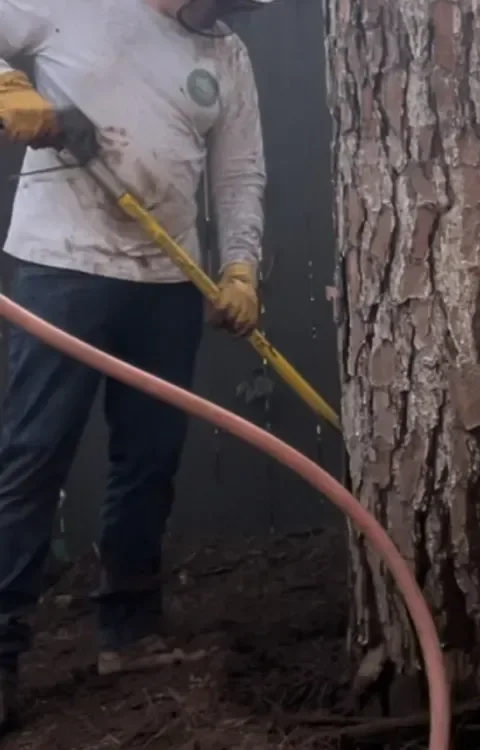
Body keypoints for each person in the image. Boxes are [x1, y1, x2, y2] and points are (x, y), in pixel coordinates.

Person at [0, 0, 272, 734]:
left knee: (148, 461)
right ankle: (1, 651)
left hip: (168, 282)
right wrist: (9, 89)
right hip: (63, 268)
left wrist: (241, 267)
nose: (226, 14)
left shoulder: (226, 55)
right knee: (34, 456)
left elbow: (240, 172)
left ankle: (130, 630)